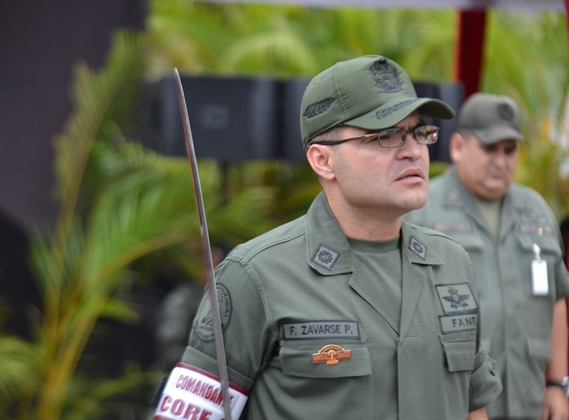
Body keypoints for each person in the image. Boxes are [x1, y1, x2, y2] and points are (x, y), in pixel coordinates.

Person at [152, 55, 502, 420]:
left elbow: (473, 404)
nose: (414, 151)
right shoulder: (256, 275)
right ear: (323, 160)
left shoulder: (451, 263)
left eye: (418, 133)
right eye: (386, 135)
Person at [405, 93, 569, 420]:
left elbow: (556, 299)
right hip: (455, 401)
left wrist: (557, 383)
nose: (500, 160)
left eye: (510, 150)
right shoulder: (422, 209)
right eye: (489, 148)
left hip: (528, 397)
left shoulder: (536, 210)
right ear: (458, 147)